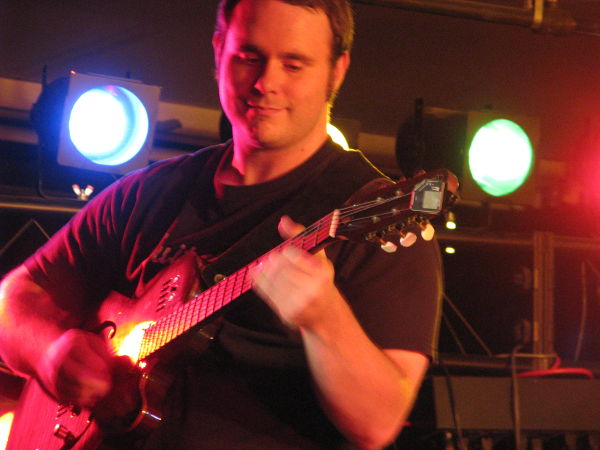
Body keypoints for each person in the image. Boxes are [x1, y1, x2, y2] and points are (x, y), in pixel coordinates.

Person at [0, 0, 443, 448]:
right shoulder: (147, 193)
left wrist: (324, 318)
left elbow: (377, 423)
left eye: (294, 64)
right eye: (249, 57)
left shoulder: (375, 213)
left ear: (336, 70)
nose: (266, 82)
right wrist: (50, 352)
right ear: (218, 52)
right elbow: (13, 300)